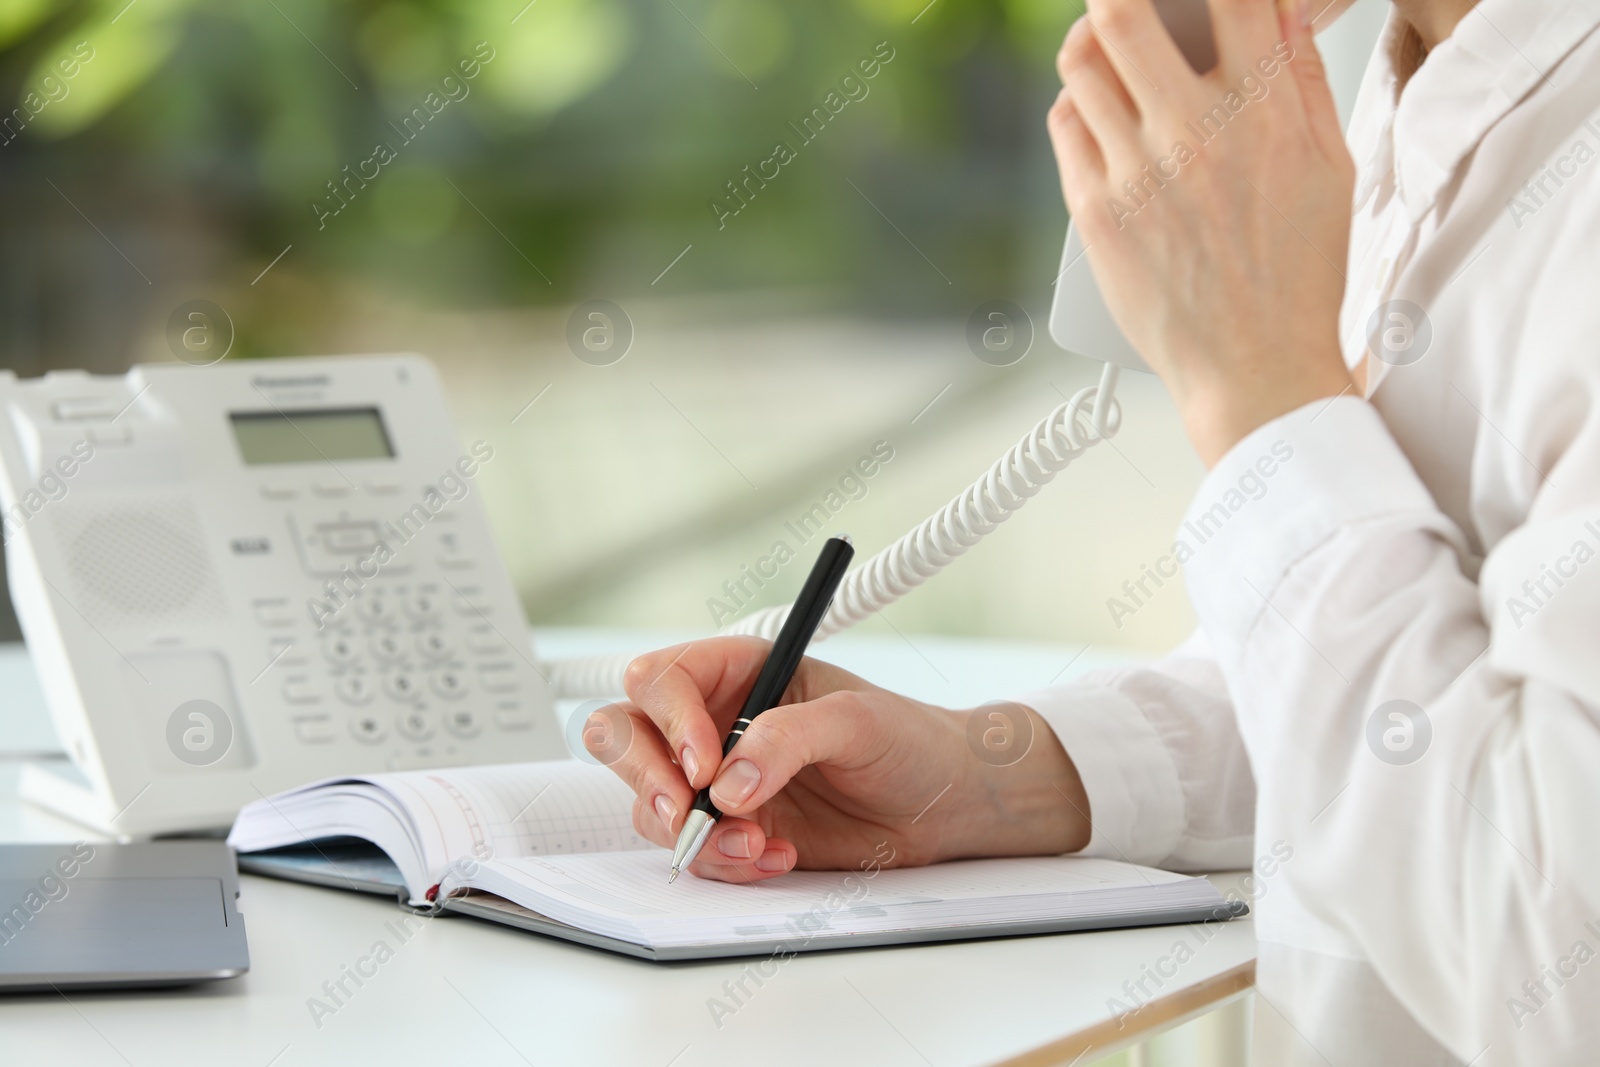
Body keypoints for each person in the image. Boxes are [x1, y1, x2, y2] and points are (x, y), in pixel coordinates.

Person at [597, 0, 1600, 1061]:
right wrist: (975, 774)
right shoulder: (1421, 73)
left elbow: (1551, 941)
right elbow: (1399, 687)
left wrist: (1255, 389)